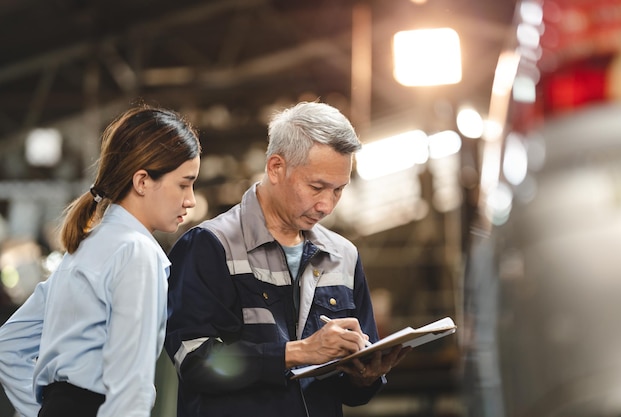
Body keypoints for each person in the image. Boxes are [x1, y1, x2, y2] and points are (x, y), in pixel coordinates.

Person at [165, 101, 410, 417]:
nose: (326, 205)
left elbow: (348, 387)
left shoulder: (343, 256)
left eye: (338, 190)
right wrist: (298, 353)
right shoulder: (212, 246)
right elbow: (194, 360)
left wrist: (365, 378)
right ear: (276, 167)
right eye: (317, 187)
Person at [0, 105, 202, 417]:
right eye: (184, 183)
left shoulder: (84, 247)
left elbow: (9, 344)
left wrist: (42, 411)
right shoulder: (137, 252)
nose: (190, 199)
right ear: (142, 181)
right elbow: (129, 387)